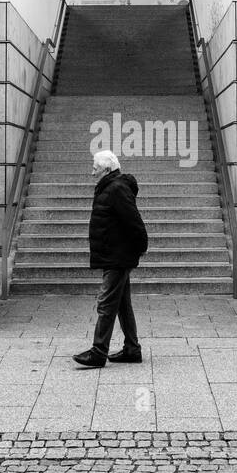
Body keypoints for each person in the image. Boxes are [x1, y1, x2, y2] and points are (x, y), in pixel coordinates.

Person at [73, 150, 149, 368]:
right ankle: (132, 349)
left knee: (106, 302)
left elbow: (134, 220)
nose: (91, 172)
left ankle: (98, 352)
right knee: (122, 304)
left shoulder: (116, 188)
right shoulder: (111, 187)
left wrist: (141, 245)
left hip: (118, 255)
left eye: (95, 168)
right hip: (114, 254)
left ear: (107, 169)